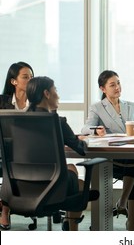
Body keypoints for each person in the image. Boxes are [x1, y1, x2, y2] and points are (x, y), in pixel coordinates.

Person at [80, 70, 134, 231]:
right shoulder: (97, 107)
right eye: (112, 85)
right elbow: (85, 128)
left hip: (130, 155)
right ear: (103, 88)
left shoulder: (131, 105)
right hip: (111, 159)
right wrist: (96, 130)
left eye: (118, 83)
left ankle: (127, 209)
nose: (117, 87)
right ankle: (127, 210)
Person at [25, 76, 88, 231]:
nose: (58, 95)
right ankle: (71, 228)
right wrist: (81, 139)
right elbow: (81, 149)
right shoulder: (57, 122)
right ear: (47, 93)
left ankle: (68, 222)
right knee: (79, 182)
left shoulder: (17, 121)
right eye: (56, 91)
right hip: (52, 186)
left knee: (71, 168)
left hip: (22, 186)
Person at [0, 61, 34, 230]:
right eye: (25, 77)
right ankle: (5, 209)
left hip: (32, 151)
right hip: (5, 152)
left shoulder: (37, 102)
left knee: (12, 163)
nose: (30, 80)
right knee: (9, 163)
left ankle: (6, 207)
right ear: (13, 81)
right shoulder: (2, 102)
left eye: (32, 77)